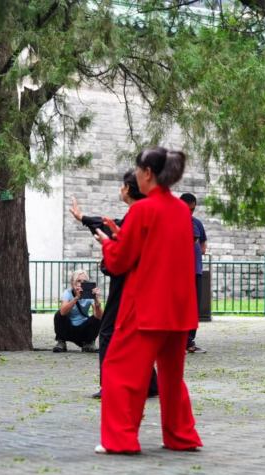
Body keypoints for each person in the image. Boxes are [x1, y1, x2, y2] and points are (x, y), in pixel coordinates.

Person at [94, 146, 202, 454]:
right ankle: (181, 436)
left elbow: (120, 261)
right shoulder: (181, 210)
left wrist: (108, 243)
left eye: (139, 170)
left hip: (146, 306)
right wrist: (121, 237)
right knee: (172, 378)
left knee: (119, 370)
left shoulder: (143, 210)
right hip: (178, 309)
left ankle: (121, 439)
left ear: (148, 174)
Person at [68, 171, 158, 399]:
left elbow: (126, 250)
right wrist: (84, 218)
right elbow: (112, 226)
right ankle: (150, 384)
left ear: (127, 188)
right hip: (143, 284)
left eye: (122, 186)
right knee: (136, 333)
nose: (119, 189)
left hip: (128, 285)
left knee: (108, 331)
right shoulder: (142, 214)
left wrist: (108, 258)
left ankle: (109, 385)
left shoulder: (137, 215)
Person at [179, 193, 207, 354]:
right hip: (179, 273)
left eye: (192, 209)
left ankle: (190, 341)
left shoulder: (197, 223)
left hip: (195, 271)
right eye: (187, 209)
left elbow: (203, 246)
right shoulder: (172, 222)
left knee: (194, 308)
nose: (190, 212)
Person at [53, 270, 102, 353]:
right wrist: (76, 298)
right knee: (58, 314)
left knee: (96, 318)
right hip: (68, 329)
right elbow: (63, 312)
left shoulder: (89, 294)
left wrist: (96, 299)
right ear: (72, 283)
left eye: (84, 281)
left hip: (83, 329)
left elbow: (99, 317)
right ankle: (61, 341)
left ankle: (88, 343)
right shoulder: (67, 293)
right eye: (79, 281)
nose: (81, 283)